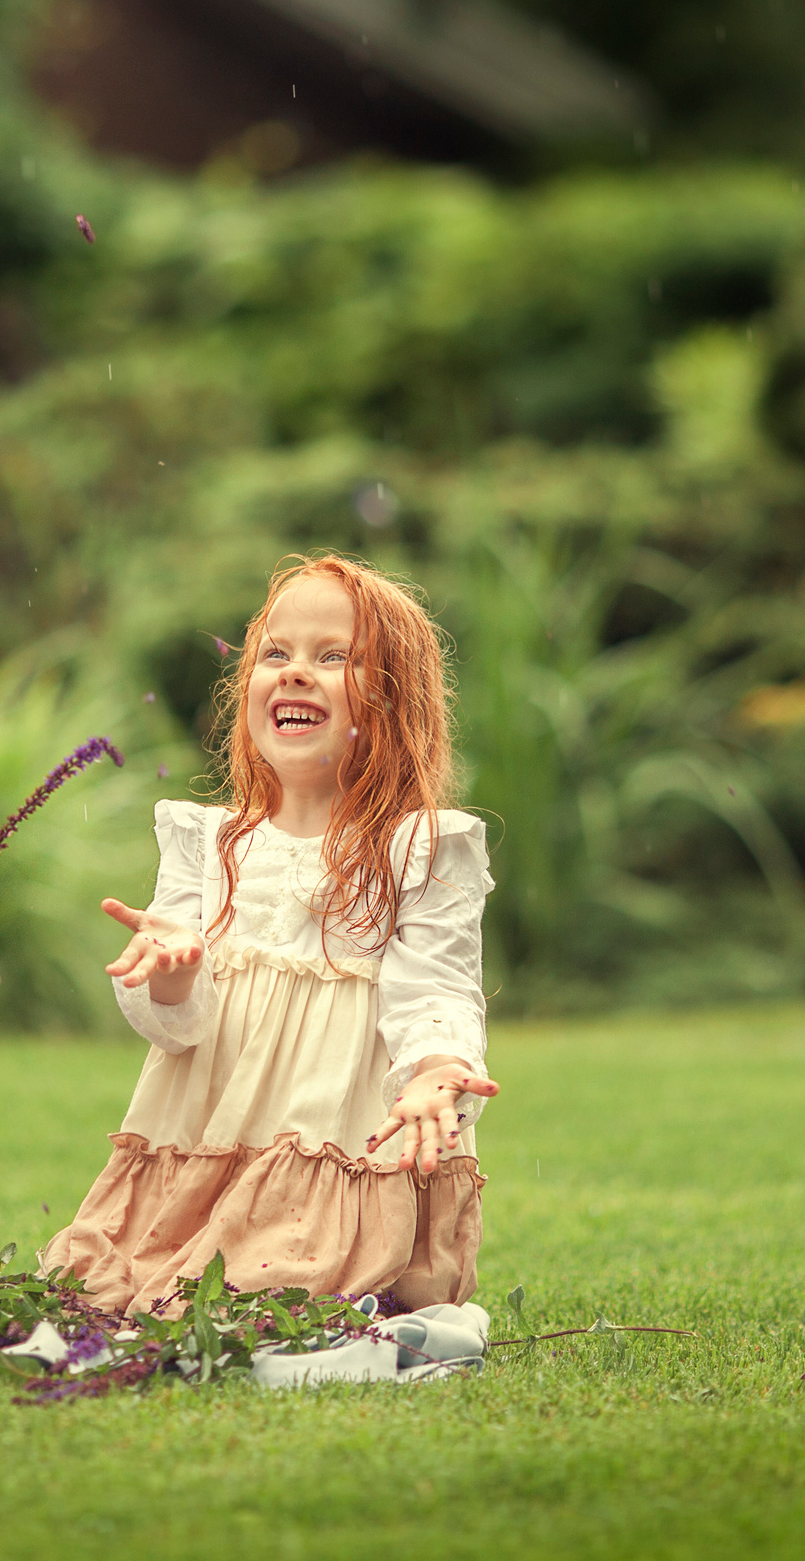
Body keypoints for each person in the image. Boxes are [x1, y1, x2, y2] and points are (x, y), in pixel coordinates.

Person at [43, 555, 500, 1313]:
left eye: (333, 657)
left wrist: (435, 1073)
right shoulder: (208, 842)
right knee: (129, 1291)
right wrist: (173, 975)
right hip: (208, 1141)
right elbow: (176, 1030)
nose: (293, 673)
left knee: (280, 1288)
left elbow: (437, 987)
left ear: (392, 699)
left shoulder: (418, 847)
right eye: (274, 655)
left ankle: (317, 1260)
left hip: (334, 1142)